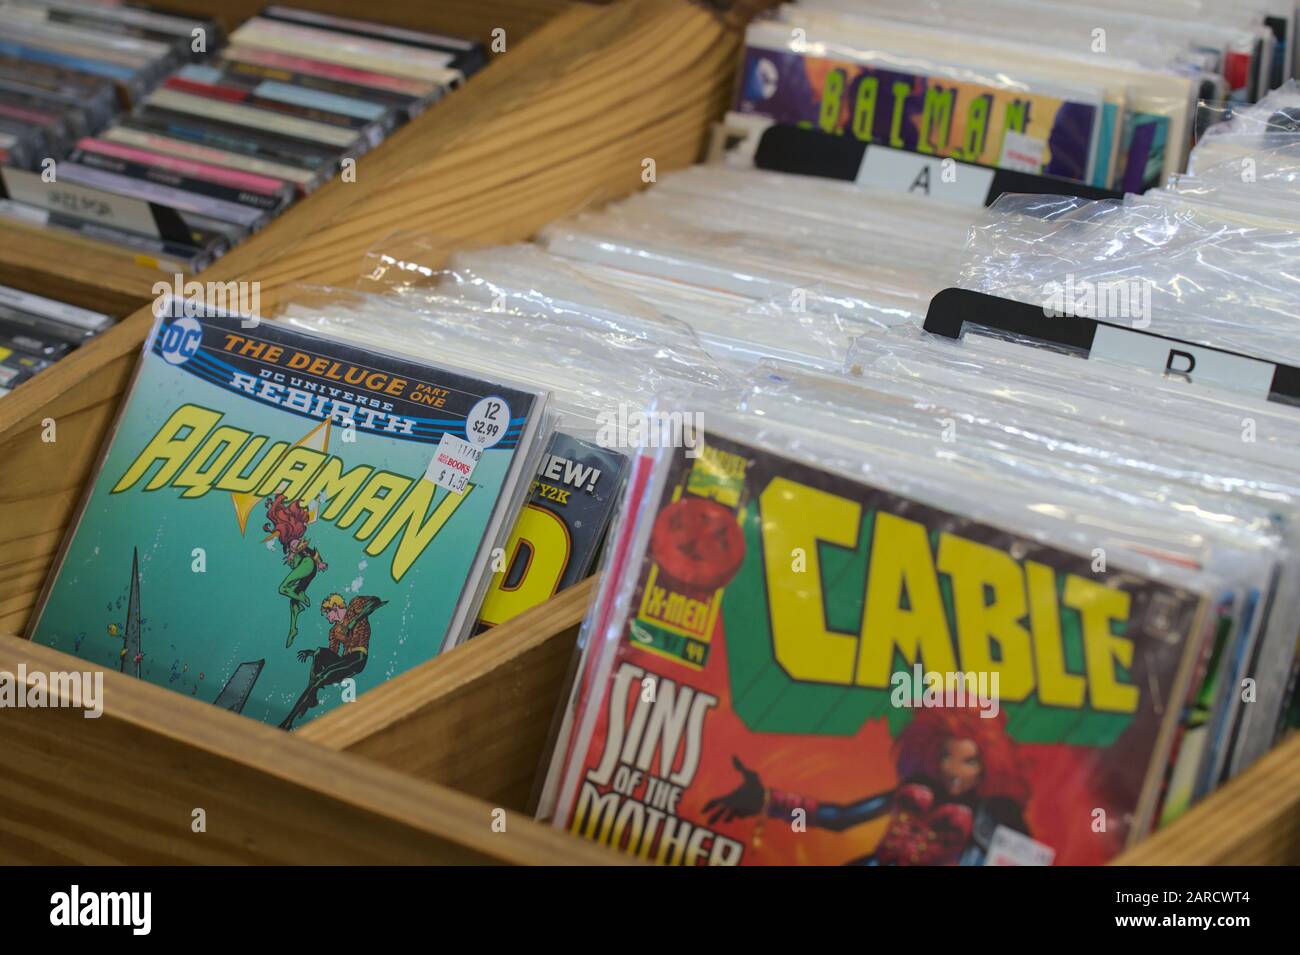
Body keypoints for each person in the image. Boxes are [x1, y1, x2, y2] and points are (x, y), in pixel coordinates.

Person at [703, 708, 1031, 865]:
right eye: (948, 756)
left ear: (987, 765)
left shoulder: (989, 817)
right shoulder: (916, 789)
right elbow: (839, 818)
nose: (955, 770)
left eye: (969, 761)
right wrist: (769, 801)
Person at [278, 593, 385, 731]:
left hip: (358, 658)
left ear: (334, 608)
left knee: (319, 679)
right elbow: (332, 653)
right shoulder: (334, 631)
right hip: (344, 660)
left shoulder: (355, 605)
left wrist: (353, 622)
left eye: (327, 614)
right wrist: (312, 653)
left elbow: (375, 601)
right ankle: (312, 694)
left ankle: (288, 722)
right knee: (319, 652)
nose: (328, 619)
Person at [262, 493, 327, 647]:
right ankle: (293, 629)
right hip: (305, 571)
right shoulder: (287, 540)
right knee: (293, 598)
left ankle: (302, 598)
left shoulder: (294, 536)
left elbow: (309, 550)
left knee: (283, 588)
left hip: (307, 565)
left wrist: (319, 563)